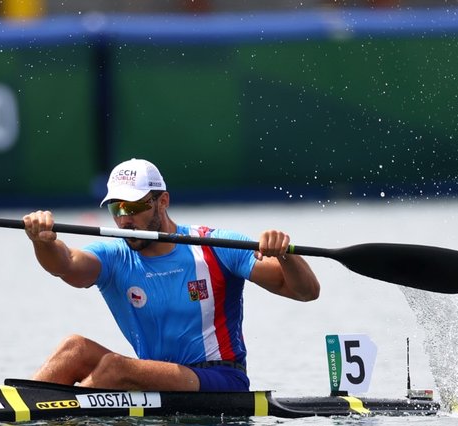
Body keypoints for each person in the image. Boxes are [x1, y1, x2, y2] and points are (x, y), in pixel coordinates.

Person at [22, 158, 320, 392]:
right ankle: (22, 412)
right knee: (74, 348)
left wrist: (286, 254)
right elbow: (65, 264)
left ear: (162, 202)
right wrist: (43, 240)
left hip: (220, 378)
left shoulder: (215, 246)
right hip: (153, 376)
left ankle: (60, 413)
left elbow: (305, 291)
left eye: (133, 206)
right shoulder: (114, 257)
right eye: (116, 208)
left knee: (115, 368)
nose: (124, 219)